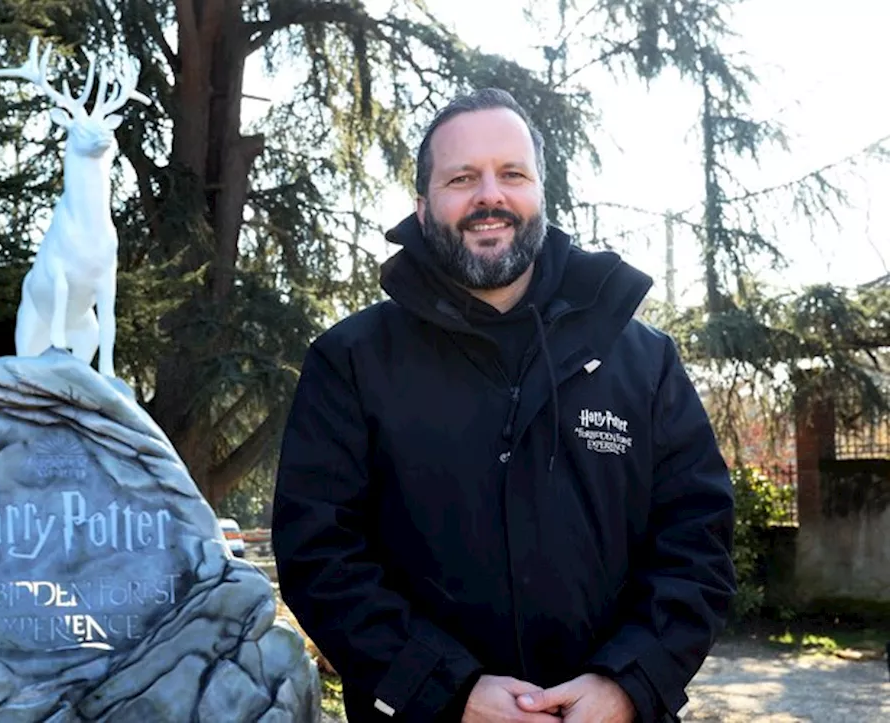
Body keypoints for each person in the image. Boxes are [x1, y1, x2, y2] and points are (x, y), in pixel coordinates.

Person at [272, 88, 735, 723]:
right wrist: (449, 692)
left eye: (511, 174)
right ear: (422, 204)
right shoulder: (350, 362)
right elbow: (319, 557)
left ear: (539, 192)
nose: (489, 195)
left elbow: (698, 543)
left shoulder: (642, 360)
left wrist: (627, 684)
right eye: (462, 178)